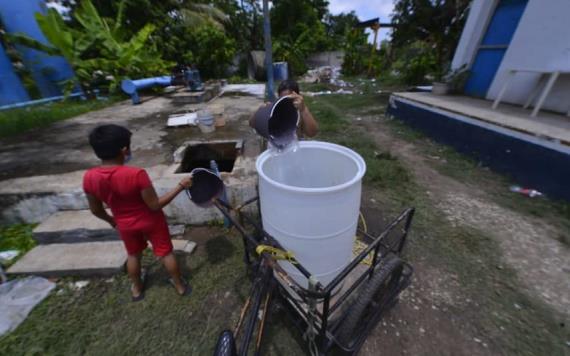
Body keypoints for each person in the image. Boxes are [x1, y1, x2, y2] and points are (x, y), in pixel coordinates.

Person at [83, 124, 192, 302]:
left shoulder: (89, 177)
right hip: (151, 221)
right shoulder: (136, 174)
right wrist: (181, 186)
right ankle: (180, 286)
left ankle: (137, 289)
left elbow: (96, 209)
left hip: (124, 224)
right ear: (124, 150)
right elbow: (155, 205)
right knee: (166, 253)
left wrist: (112, 220)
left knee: (133, 255)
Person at [250, 79, 319, 138]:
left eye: (289, 99)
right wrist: (260, 112)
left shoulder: (300, 112)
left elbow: (312, 133)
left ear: (297, 96)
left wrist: (304, 109)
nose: (286, 102)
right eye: (283, 99)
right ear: (278, 97)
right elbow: (252, 124)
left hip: (295, 148)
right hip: (276, 148)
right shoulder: (273, 110)